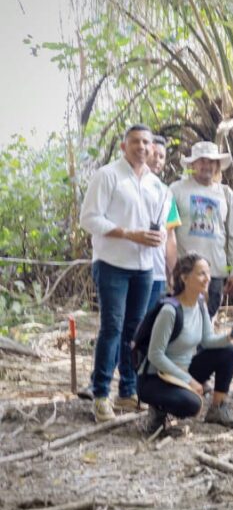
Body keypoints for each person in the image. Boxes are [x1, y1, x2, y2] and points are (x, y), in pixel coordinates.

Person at [79, 124, 172, 420]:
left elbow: (160, 230)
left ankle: (128, 391)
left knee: (134, 332)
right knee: (112, 328)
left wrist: (156, 240)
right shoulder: (108, 176)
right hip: (111, 264)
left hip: (144, 268)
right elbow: (89, 219)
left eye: (146, 142)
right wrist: (129, 234)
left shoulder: (158, 186)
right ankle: (101, 393)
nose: (142, 147)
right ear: (123, 146)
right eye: (135, 142)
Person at [139, 254, 233, 433]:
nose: (208, 278)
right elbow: (155, 355)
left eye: (208, 273)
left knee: (229, 351)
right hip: (156, 378)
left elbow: (207, 340)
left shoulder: (201, 304)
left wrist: (230, 338)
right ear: (185, 278)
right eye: (201, 273)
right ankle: (158, 411)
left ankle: (217, 409)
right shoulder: (169, 311)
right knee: (192, 405)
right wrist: (189, 381)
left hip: (184, 369)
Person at [170, 142, 233, 316]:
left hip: (214, 272)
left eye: (211, 161)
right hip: (184, 272)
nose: (206, 166)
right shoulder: (176, 190)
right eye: (201, 161)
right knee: (182, 322)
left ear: (217, 165)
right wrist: (170, 269)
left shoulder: (226, 194)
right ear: (192, 164)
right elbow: (168, 231)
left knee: (208, 323)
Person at [144, 135, 180, 312]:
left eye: (162, 157)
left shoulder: (167, 194)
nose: (157, 160)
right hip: (132, 269)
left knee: (149, 326)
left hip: (157, 273)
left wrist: (173, 273)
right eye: (154, 154)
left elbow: (170, 236)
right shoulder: (128, 185)